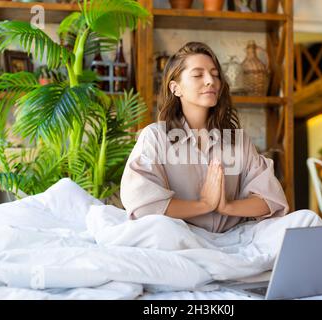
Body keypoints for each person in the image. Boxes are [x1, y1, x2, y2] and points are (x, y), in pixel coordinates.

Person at [120, 42, 290, 233]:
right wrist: (204, 204)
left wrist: (227, 207)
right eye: (198, 74)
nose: (211, 80)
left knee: (305, 219)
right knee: (159, 232)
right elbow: (142, 205)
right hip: (178, 238)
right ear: (176, 88)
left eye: (215, 74)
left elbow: (271, 200)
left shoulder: (237, 140)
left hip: (232, 238)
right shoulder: (155, 137)